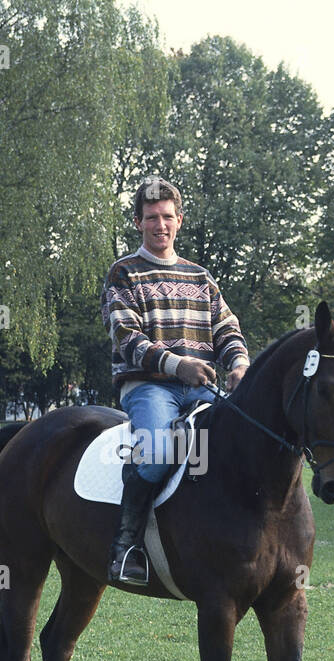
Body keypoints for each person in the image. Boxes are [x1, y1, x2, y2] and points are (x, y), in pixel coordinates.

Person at [101, 177, 250, 586]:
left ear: (179, 221)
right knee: (156, 455)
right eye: (151, 217)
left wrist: (238, 364)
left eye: (167, 217)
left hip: (203, 387)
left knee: (241, 442)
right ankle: (126, 547)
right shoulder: (123, 273)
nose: (160, 224)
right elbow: (125, 337)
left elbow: (226, 327)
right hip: (149, 387)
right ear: (138, 222)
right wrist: (176, 365)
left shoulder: (200, 277)